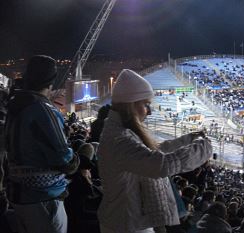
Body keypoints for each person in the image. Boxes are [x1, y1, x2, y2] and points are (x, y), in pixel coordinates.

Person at [97, 69, 214, 233]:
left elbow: (154, 151)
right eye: (146, 105)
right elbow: (161, 165)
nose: (149, 111)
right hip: (126, 225)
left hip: (128, 220)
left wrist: (188, 139)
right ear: (132, 105)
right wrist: (204, 148)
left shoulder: (120, 132)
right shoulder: (120, 140)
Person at [5, 55, 79, 233]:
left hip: (18, 193)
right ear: (50, 82)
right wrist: (77, 158)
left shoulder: (15, 104)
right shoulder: (42, 109)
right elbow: (64, 159)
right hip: (42, 197)